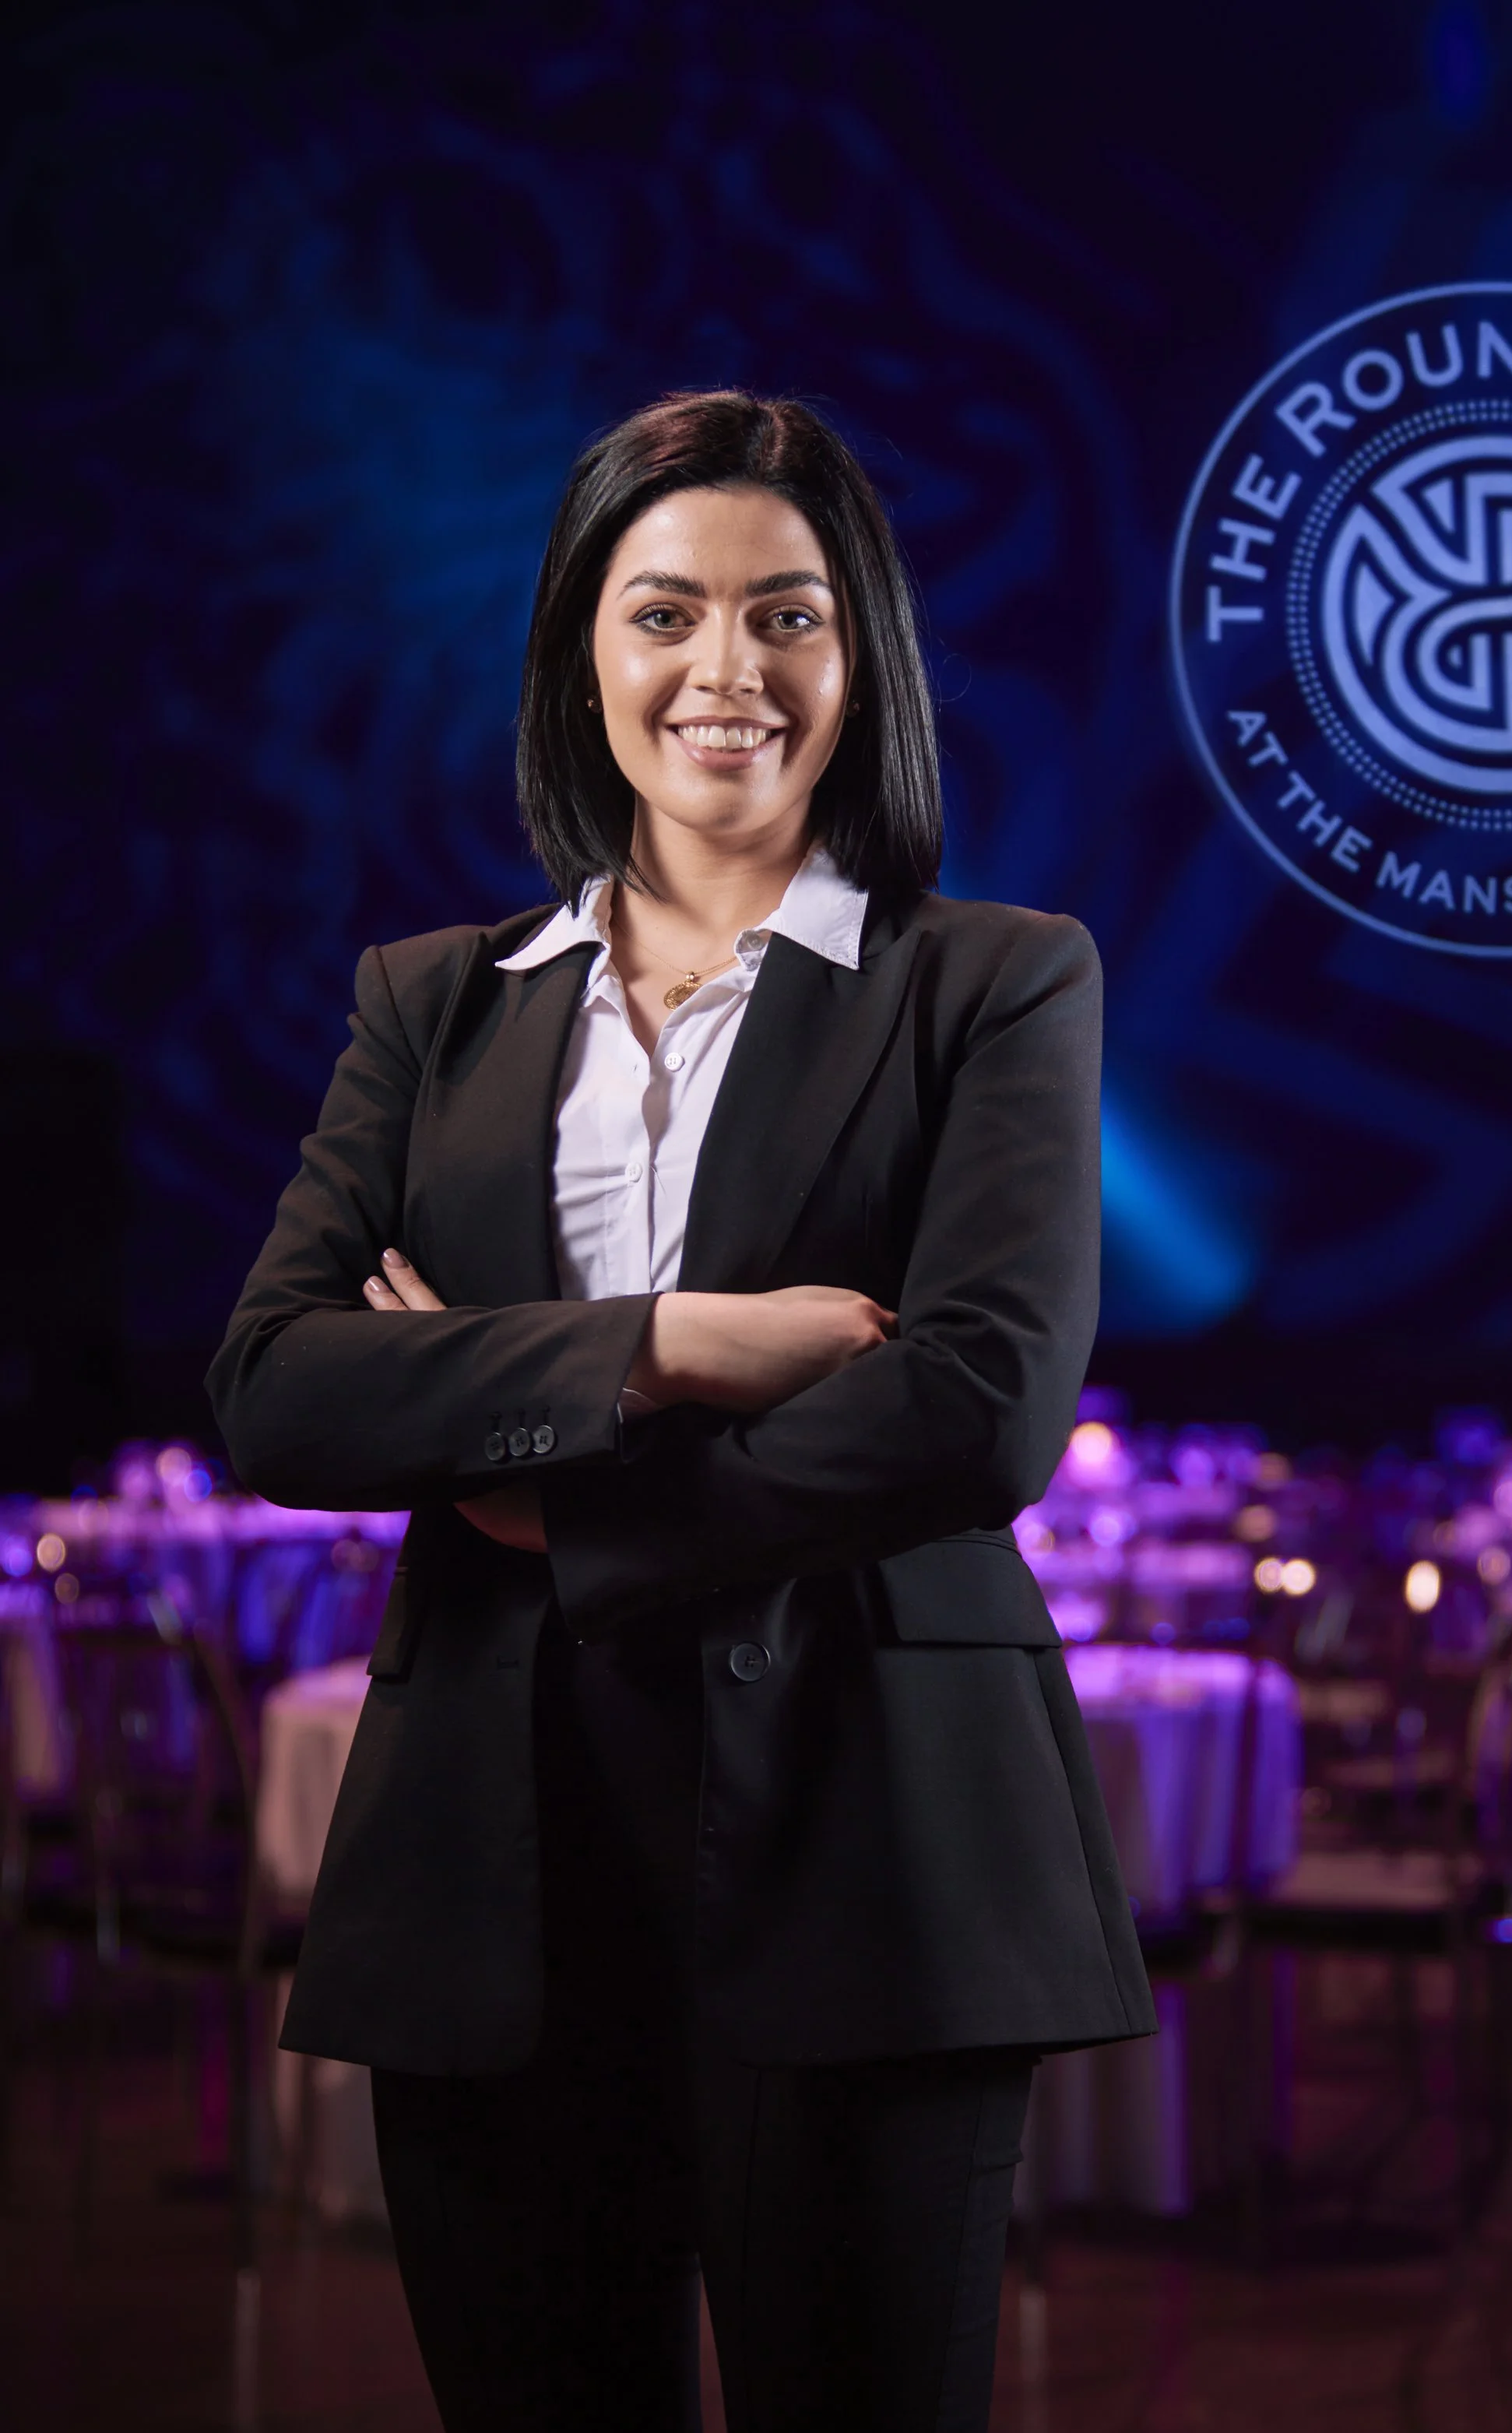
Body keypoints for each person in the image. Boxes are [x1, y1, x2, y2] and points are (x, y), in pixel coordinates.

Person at [206, 389, 1154, 2433]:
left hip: (872, 1852)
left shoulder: (992, 981)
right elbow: (278, 1384)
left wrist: (544, 1491)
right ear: (580, 655)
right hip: (489, 1866)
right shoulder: (431, 1004)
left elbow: (977, 1408)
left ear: (859, 656)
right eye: (661, 614)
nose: (722, 670)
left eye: (784, 615)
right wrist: (672, 1345)